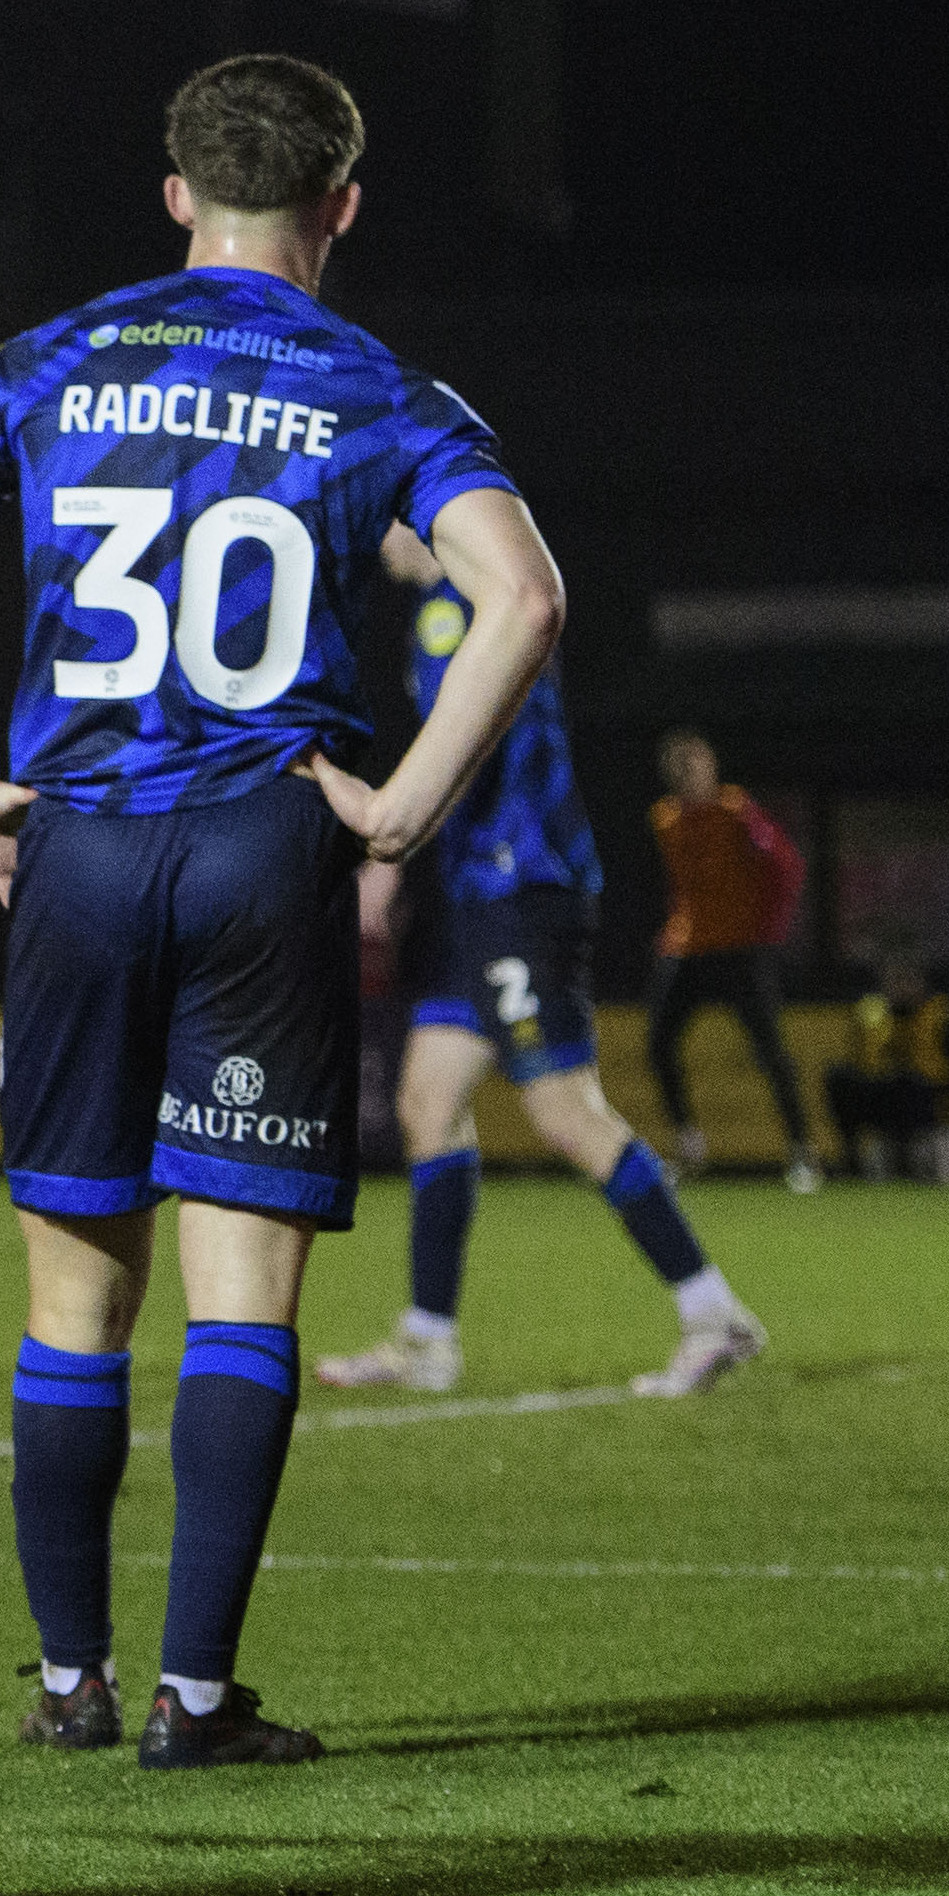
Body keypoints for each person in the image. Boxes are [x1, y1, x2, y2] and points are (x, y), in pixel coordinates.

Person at [0, 56, 564, 1772]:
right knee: (240, 1302)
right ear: (340, 204)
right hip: (259, 844)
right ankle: (194, 1699)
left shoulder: (53, 359)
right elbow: (519, 594)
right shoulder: (375, 384)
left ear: (174, 193)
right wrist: (397, 808)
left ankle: (67, 1681)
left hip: (73, 851)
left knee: (71, 1296)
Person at [312, 548, 768, 1400]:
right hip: (479, 894)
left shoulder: (459, 602)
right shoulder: (462, 598)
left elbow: (471, 740)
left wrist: (389, 845)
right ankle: (428, 1339)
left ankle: (714, 1313)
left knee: (564, 1111)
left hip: (522, 886)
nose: (378, 534)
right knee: (427, 1102)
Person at [648, 730, 819, 1188]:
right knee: (658, 1044)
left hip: (742, 951)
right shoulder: (665, 819)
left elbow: (785, 866)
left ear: (711, 767)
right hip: (688, 950)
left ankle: (802, 1152)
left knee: (771, 1053)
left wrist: (770, 930)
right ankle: (689, 1145)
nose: (686, 775)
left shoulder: (736, 811)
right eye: (678, 768)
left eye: (694, 765)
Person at [826, 949, 949, 1183]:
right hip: (880, 1094)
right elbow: (857, 1062)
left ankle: (909, 1163)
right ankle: (851, 1161)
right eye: (893, 980)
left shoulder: (941, 1015)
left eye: (907, 980)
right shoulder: (871, 1015)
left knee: (907, 1082)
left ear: (921, 983)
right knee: (839, 1077)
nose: (900, 987)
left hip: (927, 1097)